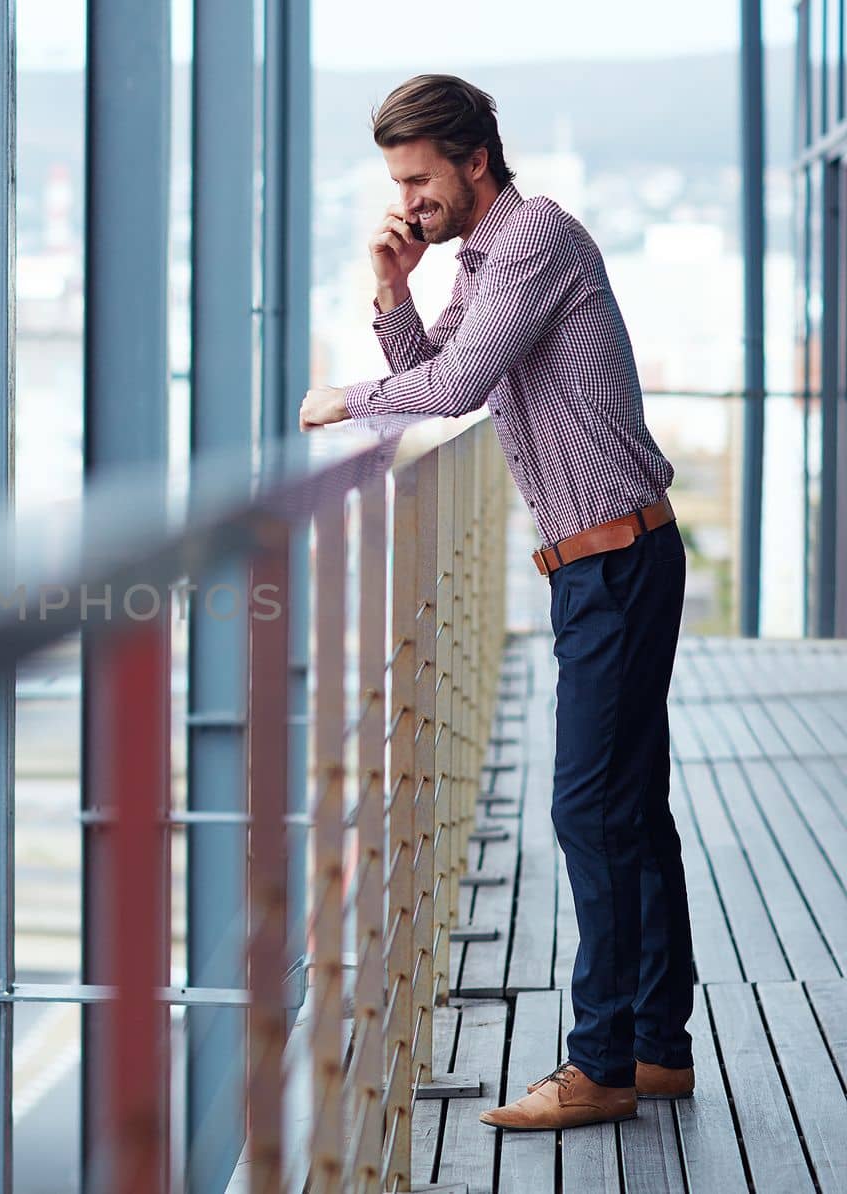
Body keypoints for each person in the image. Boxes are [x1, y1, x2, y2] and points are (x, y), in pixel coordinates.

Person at [300, 73, 693, 1131]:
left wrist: (344, 397)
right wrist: (393, 292)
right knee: (628, 807)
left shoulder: (533, 240)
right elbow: (440, 369)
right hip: (599, 567)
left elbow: (447, 390)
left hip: (613, 565)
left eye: (419, 180)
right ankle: (657, 1047)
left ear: (476, 160)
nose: (409, 201)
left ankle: (602, 1062)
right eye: (396, 183)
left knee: (588, 809)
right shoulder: (482, 260)